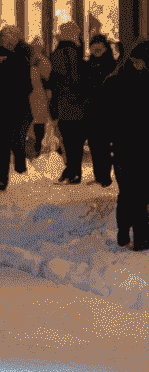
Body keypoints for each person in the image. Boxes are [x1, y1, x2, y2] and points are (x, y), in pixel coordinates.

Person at [107, 42, 149, 250]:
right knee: (132, 192)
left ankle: (135, 235)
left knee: (136, 193)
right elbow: (106, 118)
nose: (138, 65)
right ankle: (131, 234)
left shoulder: (116, 81)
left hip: (134, 145)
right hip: (126, 146)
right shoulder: (116, 83)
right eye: (136, 61)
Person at [0, 26, 32, 192]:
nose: (9, 39)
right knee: (5, 142)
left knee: (11, 140)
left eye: (12, 36)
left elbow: (27, 84)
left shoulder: (19, 56)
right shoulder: (0, 55)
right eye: (6, 36)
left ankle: (10, 173)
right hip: (6, 106)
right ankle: (4, 177)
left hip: (11, 105)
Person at [50, 22, 87, 183]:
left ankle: (71, 170)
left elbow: (56, 79)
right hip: (74, 102)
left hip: (65, 102)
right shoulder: (71, 51)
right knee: (75, 139)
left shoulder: (60, 51)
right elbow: (74, 78)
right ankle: (73, 171)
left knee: (70, 139)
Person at [81, 31, 116, 188]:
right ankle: (99, 175)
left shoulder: (112, 65)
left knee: (105, 144)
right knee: (95, 144)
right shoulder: (88, 66)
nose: (95, 49)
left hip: (108, 110)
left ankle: (105, 175)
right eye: (93, 47)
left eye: (98, 47)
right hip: (92, 110)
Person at [27, 37, 51, 157]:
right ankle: (35, 147)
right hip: (36, 95)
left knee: (37, 122)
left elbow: (47, 80)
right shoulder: (41, 61)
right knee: (37, 122)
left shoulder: (38, 61)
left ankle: (35, 146)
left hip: (37, 95)